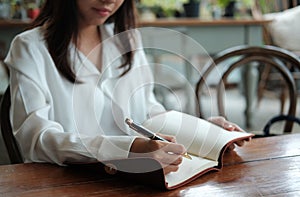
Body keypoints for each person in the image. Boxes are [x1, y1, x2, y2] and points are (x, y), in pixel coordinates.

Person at [4, 0, 245, 175]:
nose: (110, 0)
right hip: (70, 184)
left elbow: (150, 112)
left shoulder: (127, 39)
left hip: (142, 180)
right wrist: (128, 148)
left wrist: (201, 130)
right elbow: (36, 139)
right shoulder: (29, 47)